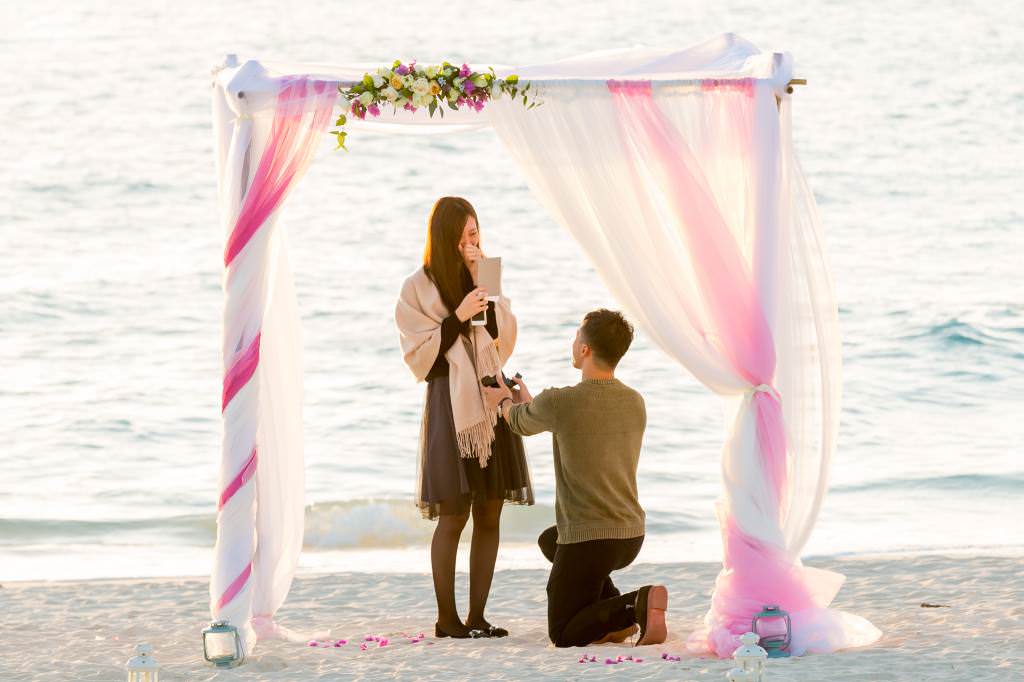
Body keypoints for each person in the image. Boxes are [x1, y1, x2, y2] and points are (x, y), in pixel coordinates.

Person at [482, 309, 668, 647]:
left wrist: (504, 401)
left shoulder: (561, 401)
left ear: (585, 349)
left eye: (576, 337)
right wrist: (527, 403)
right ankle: (614, 613)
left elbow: (520, 422)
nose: (573, 342)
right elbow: (579, 423)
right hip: (630, 535)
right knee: (550, 542)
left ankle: (634, 605)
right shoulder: (634, 401)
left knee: (564, 633)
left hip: (590, 539)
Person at [395, 196, 534, 639]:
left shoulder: (486, 274)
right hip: (449, 403)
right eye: (461, 239)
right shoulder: (417, 287)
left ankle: (478, 616)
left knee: (490, 512)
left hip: (490, 396)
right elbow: (422, 359)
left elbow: (500, 339)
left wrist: (484, 293)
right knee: (454, 514)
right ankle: (447, 619)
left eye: (474, 235)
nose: (470, 245)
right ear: (443, 240)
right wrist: (457, 316)